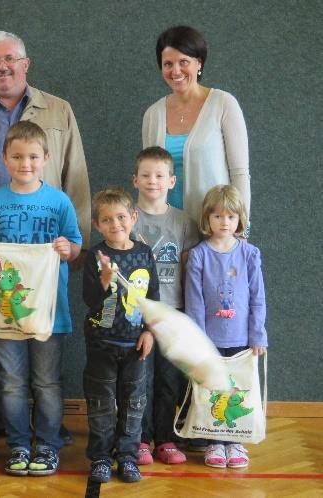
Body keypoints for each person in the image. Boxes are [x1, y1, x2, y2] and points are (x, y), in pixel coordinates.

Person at [0, 29, 90, 442]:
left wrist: (77, 247)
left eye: (11, 59)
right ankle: (1, 429)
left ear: (26, 64)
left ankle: (45, 433)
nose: (3, 66)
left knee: (42, 360)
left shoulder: (59, 111)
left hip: (45, 256)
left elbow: (76, 178)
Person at [0, 122, 82, 476]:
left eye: (33, 157)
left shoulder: (59, 201)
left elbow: (76, 246)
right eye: (17, 156)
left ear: (46, 158)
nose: (25, 163)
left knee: (47, 382)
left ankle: (46, 446)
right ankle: (18, 444)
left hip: (50, 312)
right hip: (5, 314)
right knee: (12, 382)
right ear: (4, 158)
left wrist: (67, 249)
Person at [185, 184, 267, 468]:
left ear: (239, 219)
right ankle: (214, 441)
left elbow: (258, 297)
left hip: (242, 338)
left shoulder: (249, 254)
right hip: (210, 339)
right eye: (217, 216)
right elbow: (194, 301)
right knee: (212, 390)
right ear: (207, 219)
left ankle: (235, 441)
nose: (224, 222)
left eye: (230, 217)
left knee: (237, 389)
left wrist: (258, 335)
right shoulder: (198, 255)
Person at [83, 186, 159, 484]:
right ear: (96, 224)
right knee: (101, 404)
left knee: (134, 404)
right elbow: (90, 300)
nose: (115, 224)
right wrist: (103, 280)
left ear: (134, 217)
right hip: (102, 344)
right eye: (106, 220)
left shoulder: (144, 253)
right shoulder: (95, 256)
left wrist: (150, 331)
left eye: (121, 217)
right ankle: (101, 457)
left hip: (135, 345)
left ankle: (127, 456)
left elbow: (153, 296)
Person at [142, 25, 251, 230]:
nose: (175, 71)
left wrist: (241, 230)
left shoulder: (223, 104)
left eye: (184, 62)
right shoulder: (152, 115)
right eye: (168, 64)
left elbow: (240, 174)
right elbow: (147, 178)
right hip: (165, 235)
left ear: (198, 63)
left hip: (214, 233)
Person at [131, 147, 199, 465]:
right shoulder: (127, 218)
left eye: (159, 175)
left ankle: (165, 439)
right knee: (140, 379)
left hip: (174, 312)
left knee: (168, 381)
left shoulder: (184, 221)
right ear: (135, 179)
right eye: (145, 175)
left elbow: (189, 270)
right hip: (138, 315)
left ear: (172, 180)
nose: (152, 181)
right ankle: (141, 440)